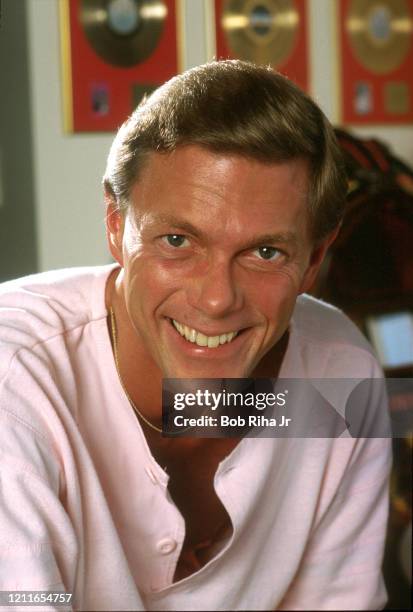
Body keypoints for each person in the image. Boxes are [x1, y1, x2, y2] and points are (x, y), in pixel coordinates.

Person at [0, 60, 391, 610]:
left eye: (265, 252)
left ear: (313, 261)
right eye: (178, 240)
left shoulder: (341, 374)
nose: (215, 300)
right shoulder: (13, 374)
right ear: (116, 225)